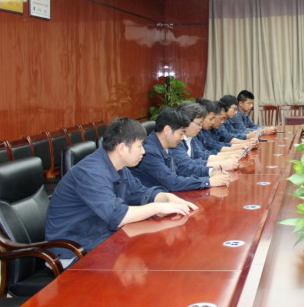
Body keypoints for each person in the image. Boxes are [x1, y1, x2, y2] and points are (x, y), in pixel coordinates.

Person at [45, 118, 198, 265]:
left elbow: (139, 192)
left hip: (103, 238)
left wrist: (166, 197)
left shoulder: (118, 167)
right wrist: (158, 207)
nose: (143, 151)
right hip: (74, 251)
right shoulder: (91, 172)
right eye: (140, 146)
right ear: (122, 148)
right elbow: (116, 216)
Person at [130, 108, 229, 191]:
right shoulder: (149, 152)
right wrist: (209, 181)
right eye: (181, 133)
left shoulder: (166, 145)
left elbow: (182, 168)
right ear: (167, 131)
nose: (182, 138)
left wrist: (211, 171)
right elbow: (173, 182)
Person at [170, 102, 240, 174]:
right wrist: (217, 167)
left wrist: (226, 158)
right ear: (186, 121)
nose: (200, 127)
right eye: (199, 123)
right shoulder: (175, 141)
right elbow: (187, 167)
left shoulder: (191, 137)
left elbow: (201, 155)